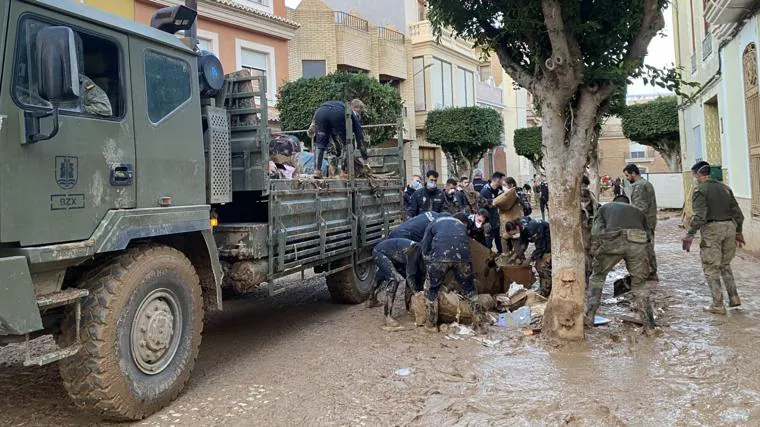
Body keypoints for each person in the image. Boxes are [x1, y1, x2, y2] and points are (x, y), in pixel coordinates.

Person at [586, 194, 655, 334]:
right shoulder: (639, 212)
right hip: (637, 242)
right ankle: (649, 327)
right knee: (639, 285)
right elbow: (649, 237)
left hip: (613, 240)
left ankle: (590, 317)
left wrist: (595, 252)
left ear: (614, 202)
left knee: (597, 277)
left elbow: (596, 231)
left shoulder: (606, 207)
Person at [682, 161, 745, 314]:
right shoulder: (725, 188)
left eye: (694, 175)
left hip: (712, 229)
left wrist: (689, 234)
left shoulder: (700, 190)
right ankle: (734, 297)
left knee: (711, 267)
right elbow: (739, 215)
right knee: (725, 264)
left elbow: (700, 217)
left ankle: (717, 304)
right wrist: (738, 232)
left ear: (697, 174)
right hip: (729, 227)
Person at [420, 215, 484, 333]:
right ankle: (479, 325)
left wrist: (429, 267)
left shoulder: (433, 223)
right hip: (463, 257)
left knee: (431, 290)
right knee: (470, 291)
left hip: (440, 257)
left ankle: (431, 325)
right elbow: (466, 244)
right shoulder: (460, 224)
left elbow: (424, 248)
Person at [369, 238, 424, 327]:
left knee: (382, 275)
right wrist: (416, 294)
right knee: (394, 279)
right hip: (380, 252)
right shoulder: (416, 251)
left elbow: (413, 276)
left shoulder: (421, 253)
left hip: (395, 256)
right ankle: (387, 316)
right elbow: (410, 276)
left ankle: (371, 299)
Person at [307, 99, 368, 179]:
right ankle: (343, 171)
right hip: (337, 114)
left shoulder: (336, 105)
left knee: (320, 144)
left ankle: (317, 171)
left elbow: (333, 137)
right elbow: (360, 137)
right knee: (348, 143)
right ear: (356, 109)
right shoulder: (350, 112)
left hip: (320, 112)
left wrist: (313, 124)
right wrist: (366, 160)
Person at [624, 164, 658, 281]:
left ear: (634, 173)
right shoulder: (646, 184)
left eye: (628, 175)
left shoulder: (639, 186)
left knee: (644, 248)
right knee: (649, 247)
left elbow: (639, 208)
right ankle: (651, 271)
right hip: (649, 221)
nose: (627, 178)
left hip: (643, 223)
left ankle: (648, 272)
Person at [493, 176, 526, 253]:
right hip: (504, 225)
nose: (503, 187)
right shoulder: (502, 194)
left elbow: (526, 207)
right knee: (505, 250)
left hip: (514, 225)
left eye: (505, 185)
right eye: (502, 185)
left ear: (511, 185)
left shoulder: (518, 193)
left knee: (517, 249)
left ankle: (519, 262)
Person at [520, 219, 552, 296]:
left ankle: (546, 290)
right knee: (538, 265)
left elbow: (541, 248)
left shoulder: (538, 231)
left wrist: (531, 258)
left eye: (534, 236)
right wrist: (522, 249)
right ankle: (543, 286)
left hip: (549, 244)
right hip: (544, 243)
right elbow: (524, 240)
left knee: (542, 267)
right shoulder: (524, 225)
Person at [480, 172, 505, 253]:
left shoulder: (499, 190)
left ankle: (500, 256)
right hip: (488, 222)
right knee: (488, 243)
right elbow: (482, 208)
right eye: (502, 180)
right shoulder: (485, 191)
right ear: (498, 180)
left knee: (499, 241)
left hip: (496, 220)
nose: (503, 182)